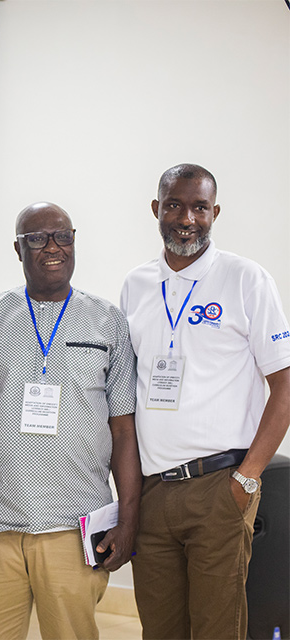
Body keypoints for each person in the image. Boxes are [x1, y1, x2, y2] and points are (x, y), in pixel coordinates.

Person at [120, 164, 290, 639]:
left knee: (216, 629)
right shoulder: (136, 285)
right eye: (174, 204)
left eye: (199, 207)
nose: (186, 218)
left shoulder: (245, 279)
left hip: (219, 487)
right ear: (156, 209)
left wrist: (247, 479)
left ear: (214, 213)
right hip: (153, 493)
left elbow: (285, 384)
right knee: (159, 627)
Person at [0, 202, 140, 639]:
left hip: (75, 527)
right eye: (36, 239)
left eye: (62, 236)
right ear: (18, 249)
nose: (52, 247)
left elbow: (123, 429)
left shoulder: (108, 322)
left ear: (74, 240)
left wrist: (129, 517)